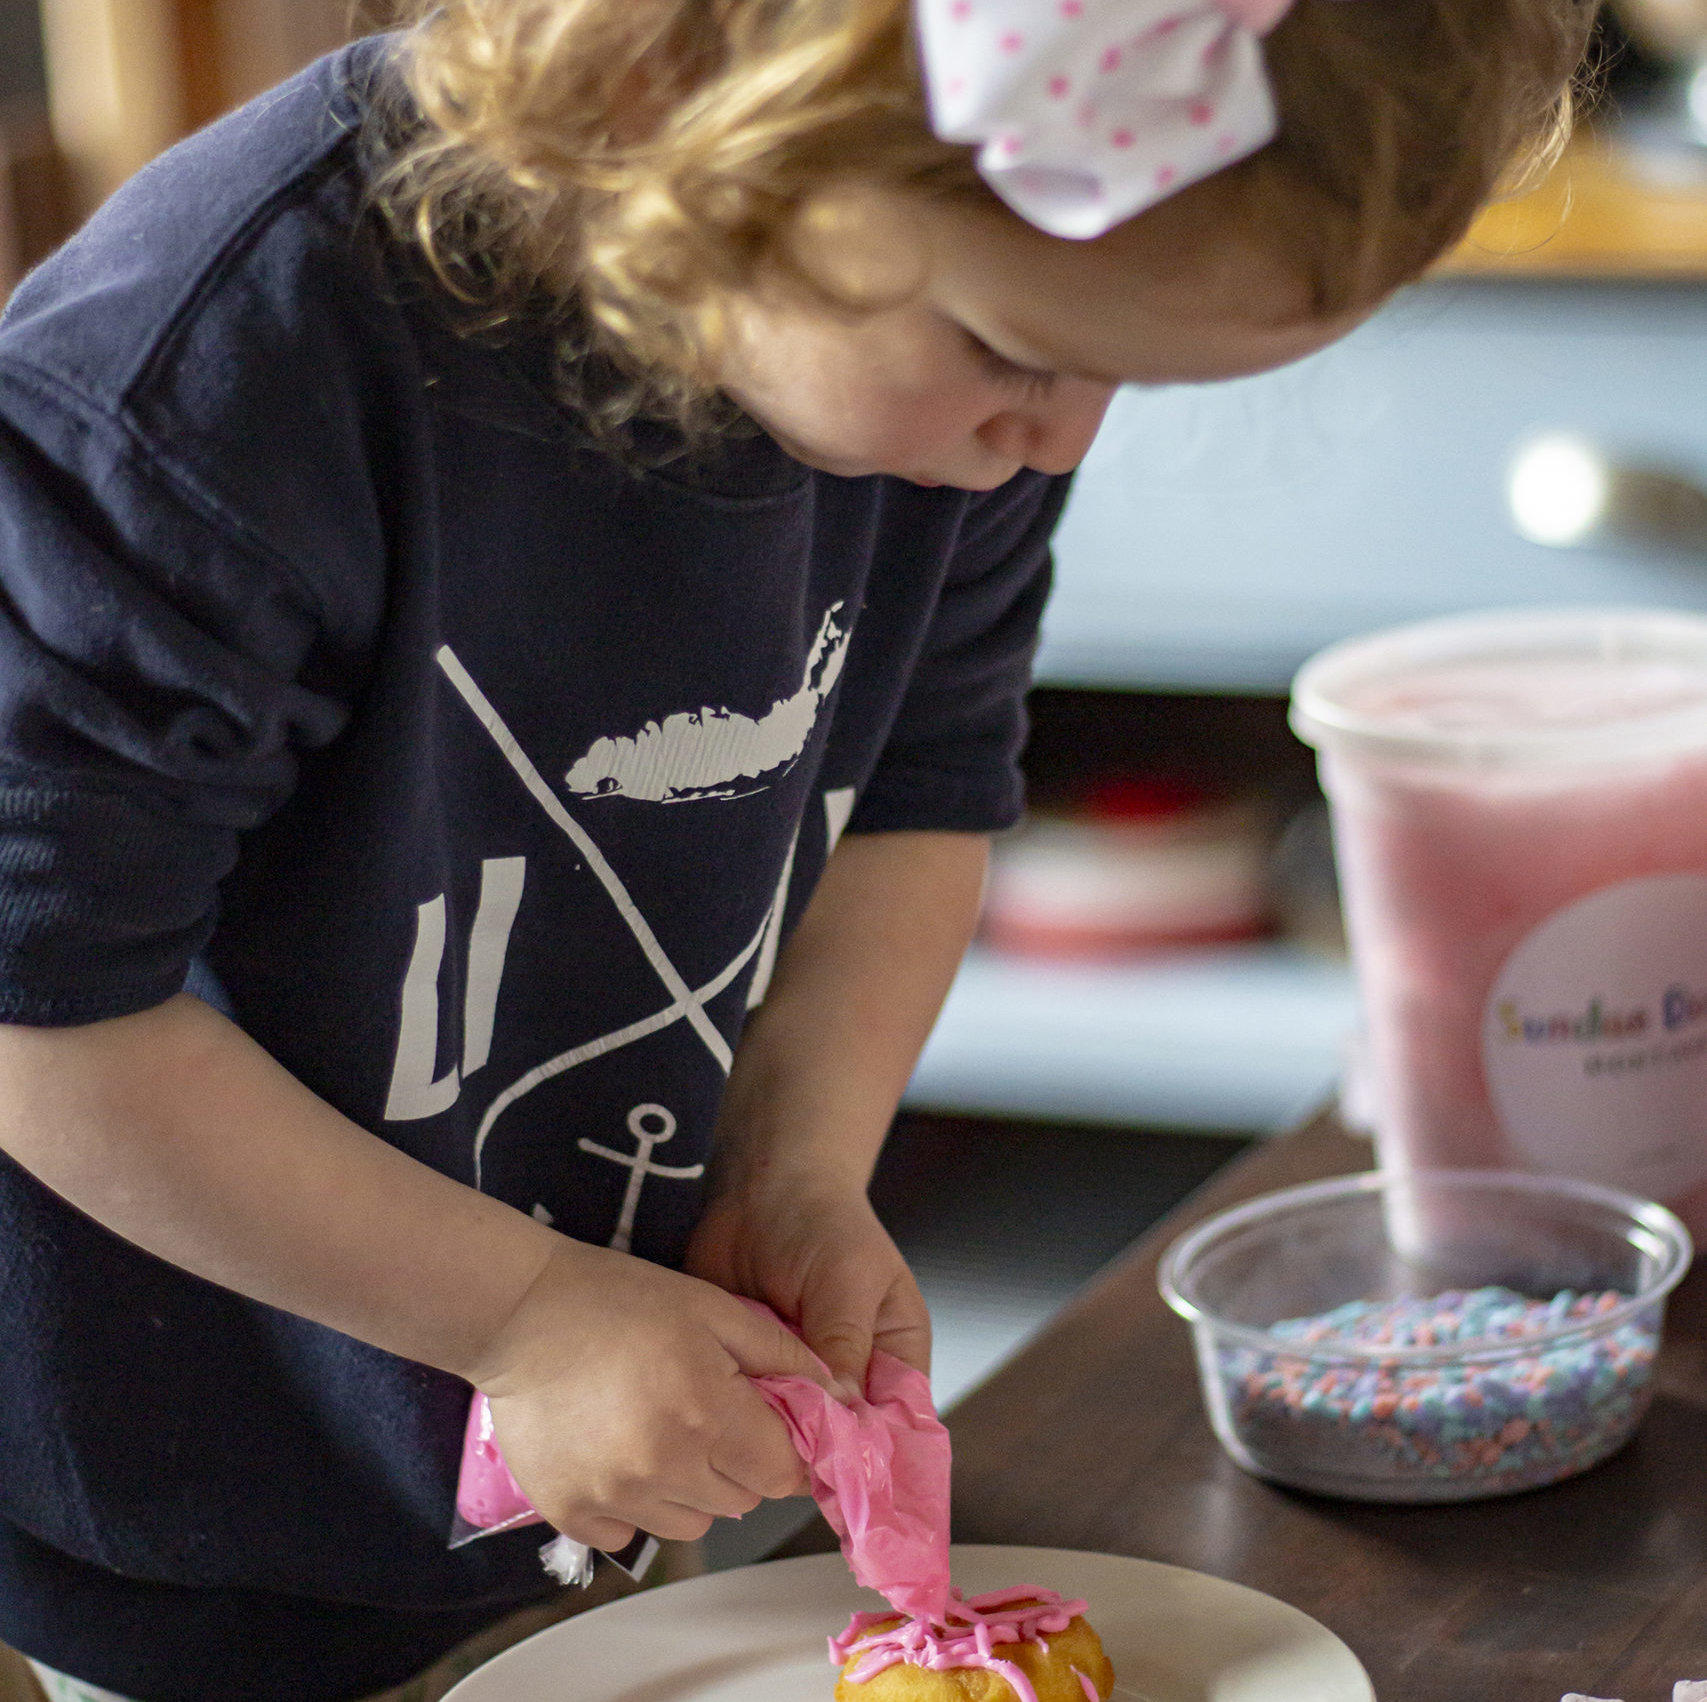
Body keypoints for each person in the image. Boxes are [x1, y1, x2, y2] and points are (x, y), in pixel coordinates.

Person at [0, 0, 1591, 1697]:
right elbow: (39, 1003)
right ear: (691, 98)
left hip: (563, 1418)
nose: (1061, 442)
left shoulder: (922, 381)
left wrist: (790, 1164)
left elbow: (922, 784)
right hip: (140, 1494)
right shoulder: (207, 383)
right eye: (1018, 349)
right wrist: (520, 1312)